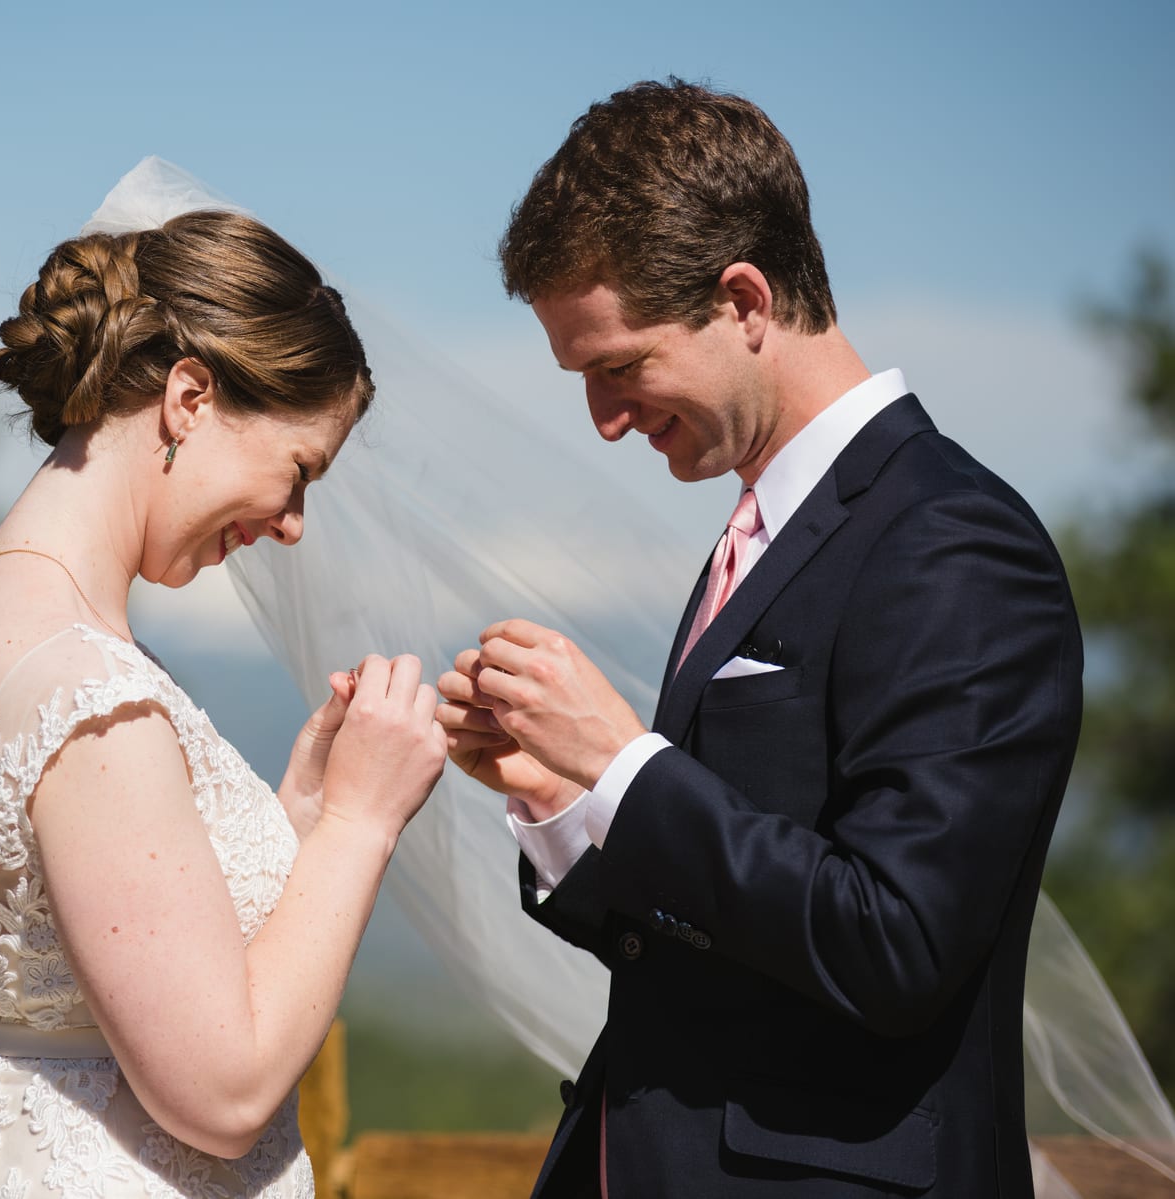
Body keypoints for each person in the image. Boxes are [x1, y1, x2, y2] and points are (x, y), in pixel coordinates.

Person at [434, 79, 1084, 1197]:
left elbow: (896, 942)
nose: (604, 419)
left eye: (618, 365)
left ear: (743, 300)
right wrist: (564, 803)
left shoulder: (953, 541)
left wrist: (623, 766)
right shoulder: (766, 530)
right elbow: (723, 938)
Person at [0, 200, 448, 1199]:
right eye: (298, 470)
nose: (292, 523)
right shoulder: (88, 691)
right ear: (189, 398)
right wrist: (362, 822)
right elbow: (222, 1093)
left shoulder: (11, 616)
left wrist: (298, 814)